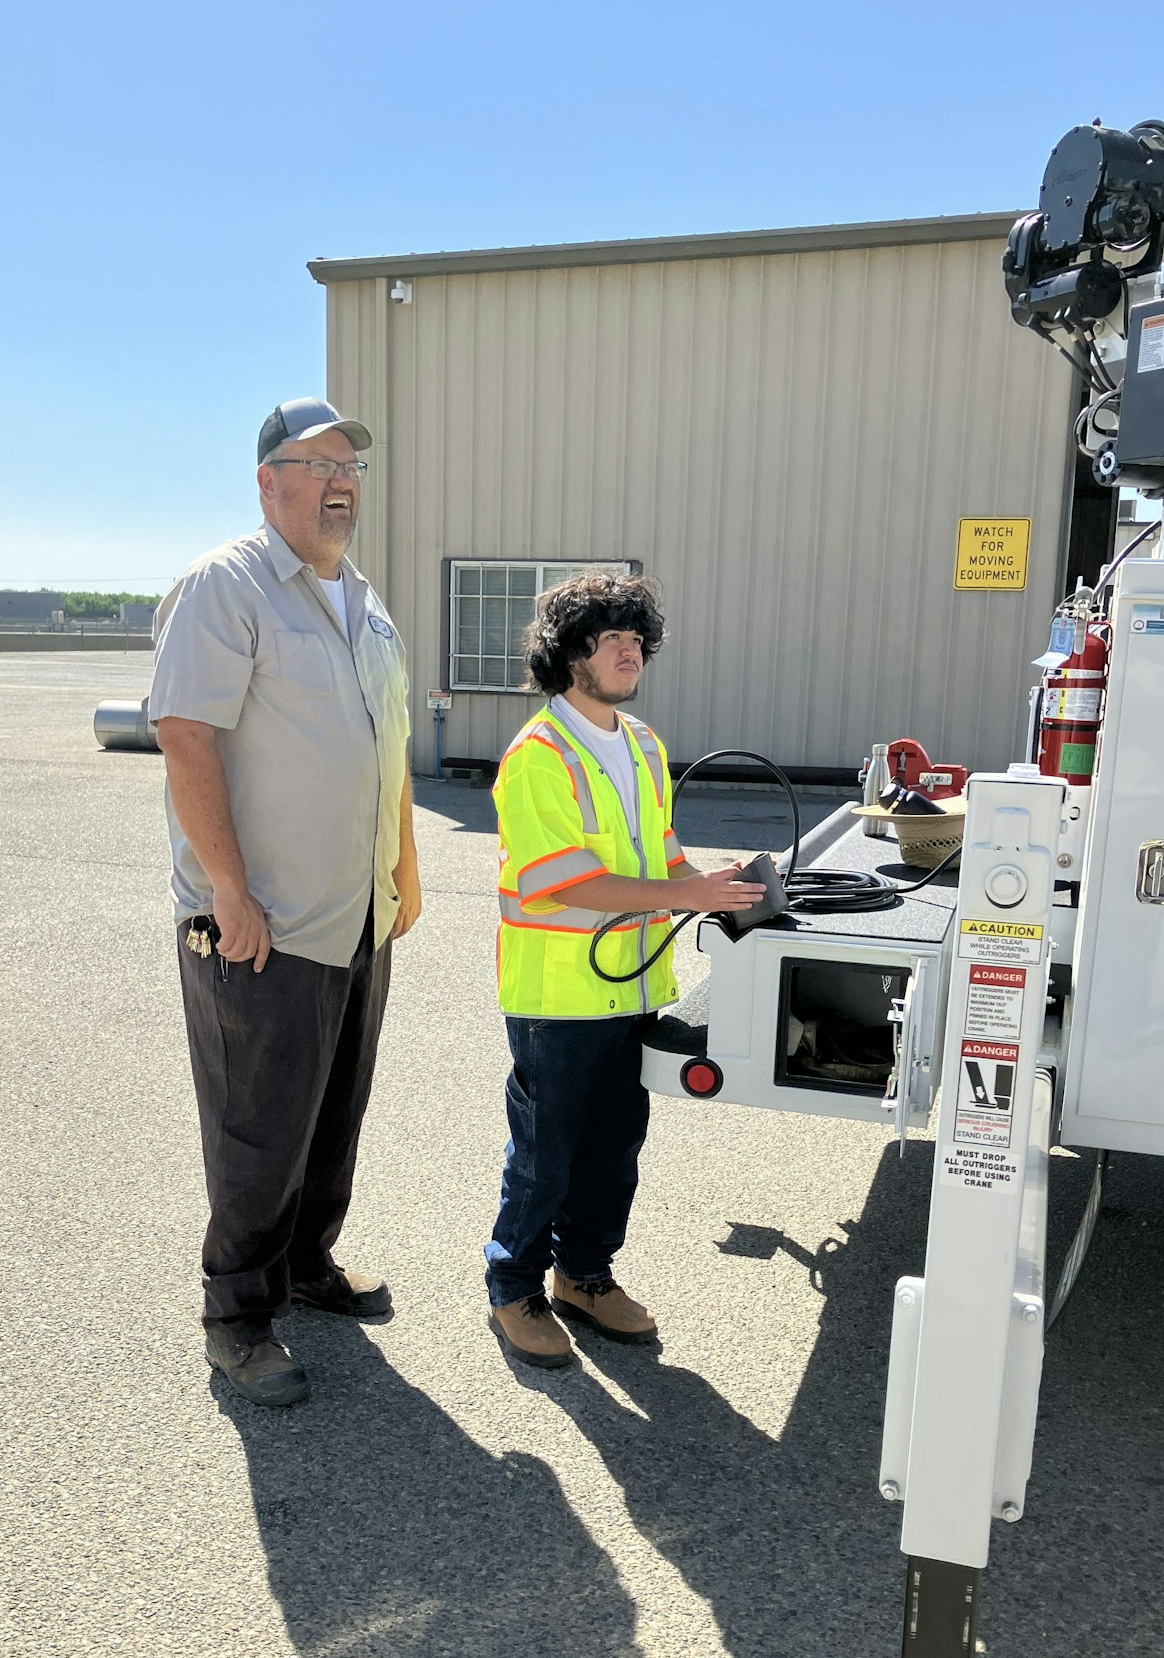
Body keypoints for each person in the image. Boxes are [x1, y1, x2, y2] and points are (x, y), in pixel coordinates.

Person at [149, 397, 419, 1409]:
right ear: (268, 481)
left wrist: (403, 872)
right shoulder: (228, 586)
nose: (342, 477)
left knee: (331, 1111)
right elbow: (185, 735)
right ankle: (238, 1317)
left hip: (354, 912)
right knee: (258, 1126)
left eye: (352, 461)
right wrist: (228, 889)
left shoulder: (366, 604)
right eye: (318, 461)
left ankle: (308, 1261)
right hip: (261, 920)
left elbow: (384, 750)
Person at [484, 572, 765, 1368]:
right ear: (568, 654)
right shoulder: (538, 754)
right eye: (609, 638)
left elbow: (658, 854)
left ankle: (585, 1276)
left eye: (636, 637)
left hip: (635, 982)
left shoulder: (641, 743)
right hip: (559, 994)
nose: (628, 649)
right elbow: (566, 882)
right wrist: (686, 891)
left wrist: (718, 887)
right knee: (548, 1151)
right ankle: (514, 1288)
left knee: (614, 1149)